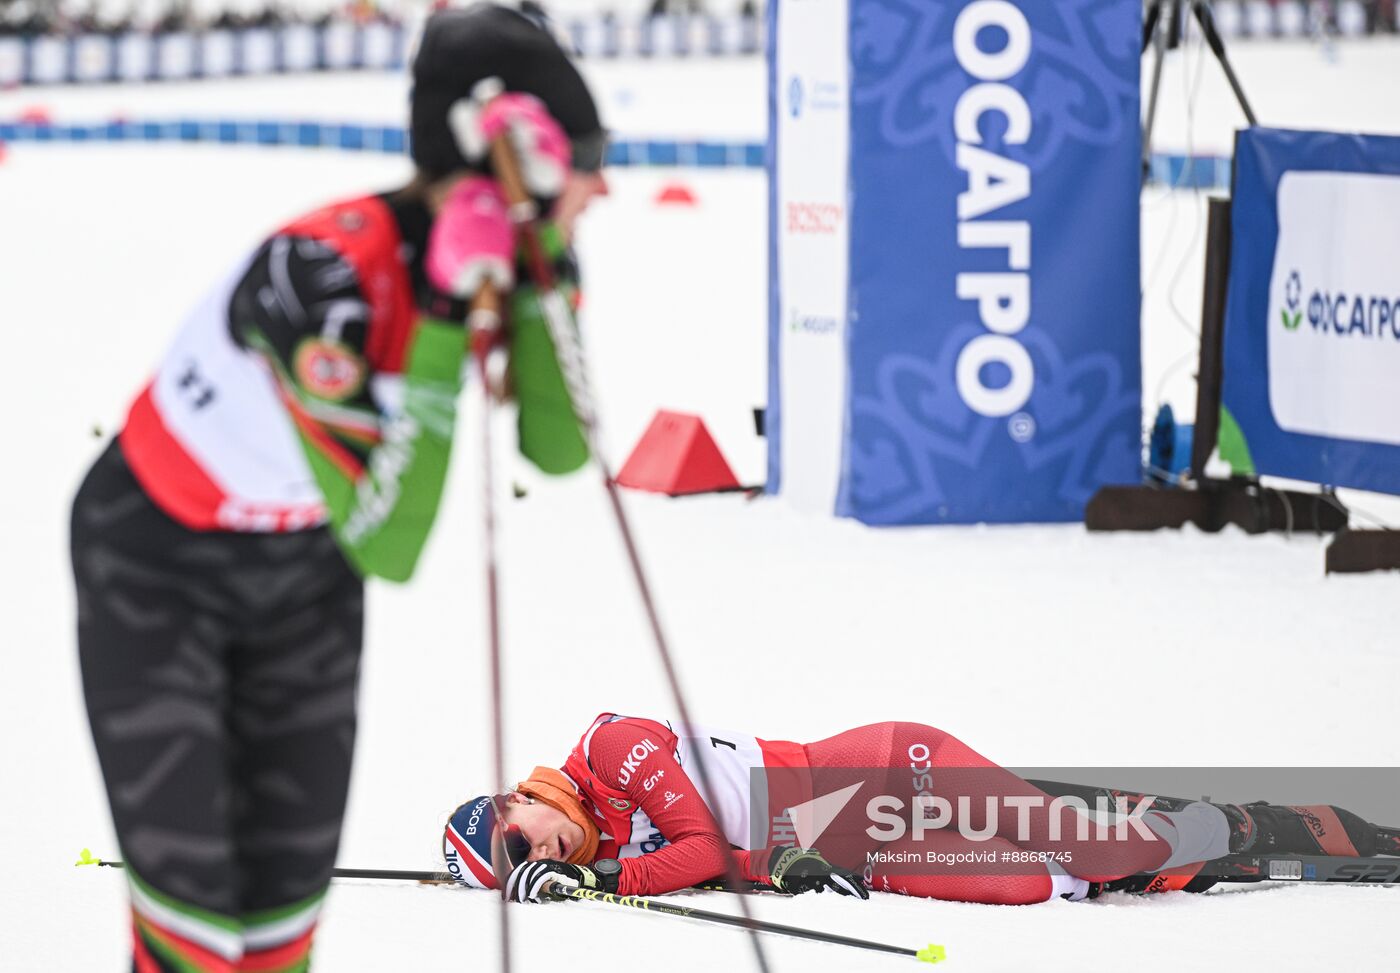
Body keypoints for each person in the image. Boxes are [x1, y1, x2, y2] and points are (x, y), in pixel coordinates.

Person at [70, 4, 606, 970]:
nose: (602, 185)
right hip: (158, 564)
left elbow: (560, 449)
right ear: (506, 157)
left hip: (303, 572)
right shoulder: (315, 274)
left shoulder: (510, 253)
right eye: (581, 157)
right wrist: (445, 317)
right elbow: (390, 541)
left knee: (283, 915)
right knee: (194, 911)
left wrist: (548, 271)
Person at [445, 713, 1384, 905]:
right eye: (529, 863)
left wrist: (604, 875)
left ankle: (1244, 823)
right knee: (1028, 886)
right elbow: (728, 859)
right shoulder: (593, 836)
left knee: (1096, 859)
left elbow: (697, 844)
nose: (547, 849)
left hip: (887, 774)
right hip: (846, 849)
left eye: (526, 840)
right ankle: (1157, 850)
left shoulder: (609, 745)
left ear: (516, 799)